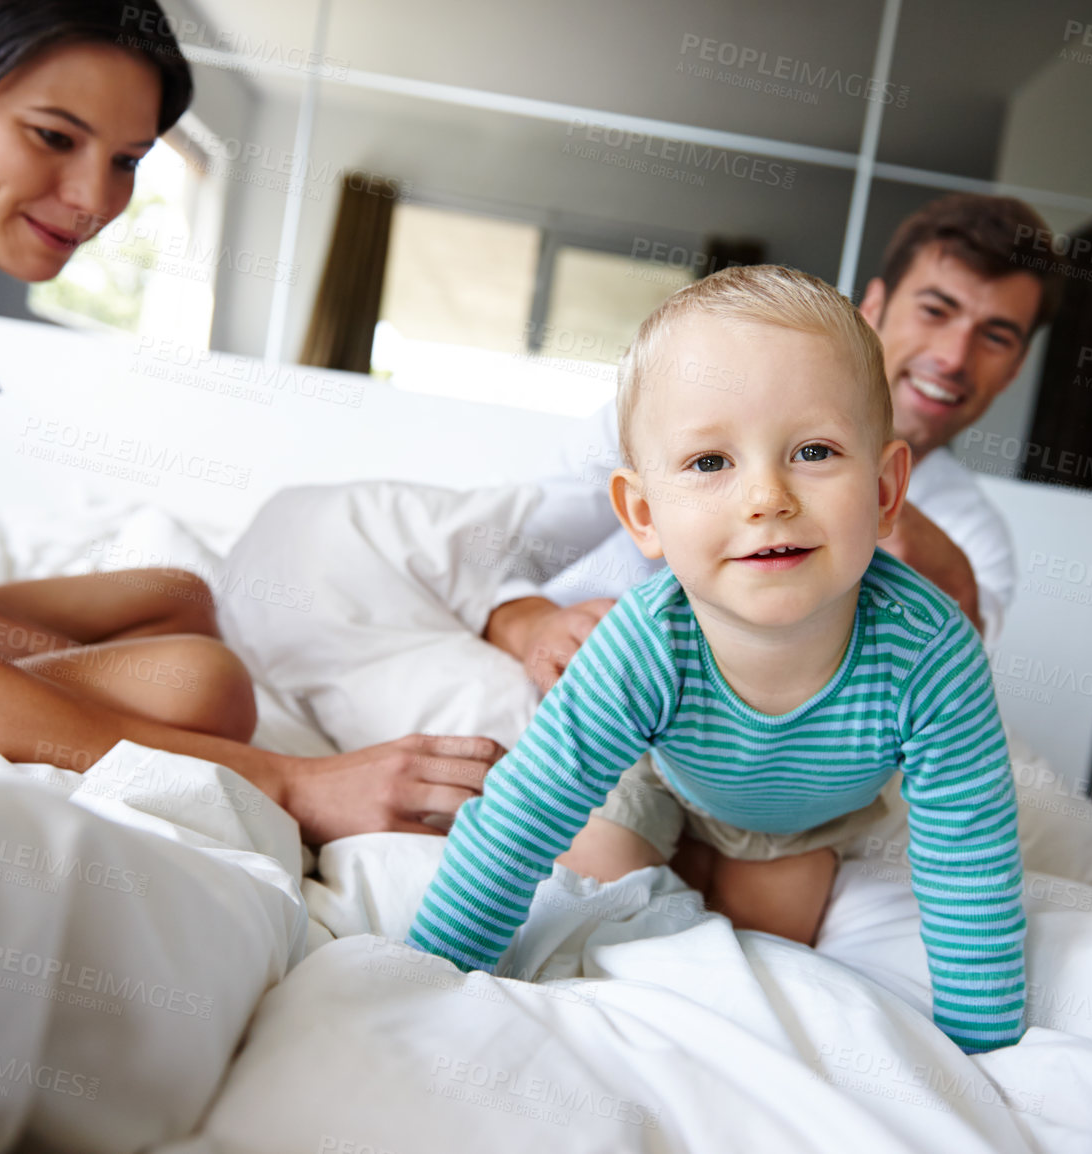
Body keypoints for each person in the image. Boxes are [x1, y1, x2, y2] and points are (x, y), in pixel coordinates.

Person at [0, 0, 499, 844]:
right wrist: (290, 782)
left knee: (175, 595)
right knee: (199, 686)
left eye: (127, 160)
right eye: (55, 137)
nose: (95, 199)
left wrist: (23, 666)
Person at [408, 266, 1026, 1054]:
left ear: (884, 491)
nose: (766, 496)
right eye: (710, 463)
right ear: (643, 514)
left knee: (759, 967)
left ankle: (712, 857)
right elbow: (519, 818)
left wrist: (992, 1061)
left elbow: (969, 869)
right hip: (656, 771)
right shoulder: (645, 641)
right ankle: (667, 843)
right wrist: (425, 973)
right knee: (598, 894)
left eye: (812, 450)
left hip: (797, 822)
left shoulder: (932, 656)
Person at [483, 194, 1063, 691]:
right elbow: (496, 549)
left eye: (995, 336)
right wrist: (526, 623)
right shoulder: (675, 411)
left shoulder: (974, 539)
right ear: (878, 307)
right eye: (937, 310)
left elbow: (949, 696)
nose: (954, 356)